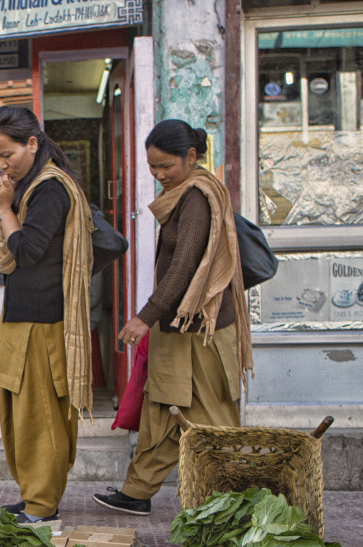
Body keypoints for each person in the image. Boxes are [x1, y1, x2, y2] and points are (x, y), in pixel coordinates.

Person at [94, 120, 252, 515]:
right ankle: (137, 490)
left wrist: (144, 317)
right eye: (153, 167)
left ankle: (239, 499)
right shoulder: (182, 195)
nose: (160, 175)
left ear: (192, 157)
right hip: (178, 328)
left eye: (167, 166)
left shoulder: (197, 198)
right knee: (162, 407)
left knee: (215, 419)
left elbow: (183, 270)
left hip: (202, 332)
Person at [0, 106, 94, 523]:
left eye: (6, 154)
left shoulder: (50, 190)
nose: (1, 165)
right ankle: (34, 496)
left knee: (41, 417)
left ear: (32, 143)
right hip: (23, 317)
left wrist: (5, 209)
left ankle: (43, 505)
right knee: (21, 416)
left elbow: (27, 251)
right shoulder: (31, 185)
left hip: (44, 321)